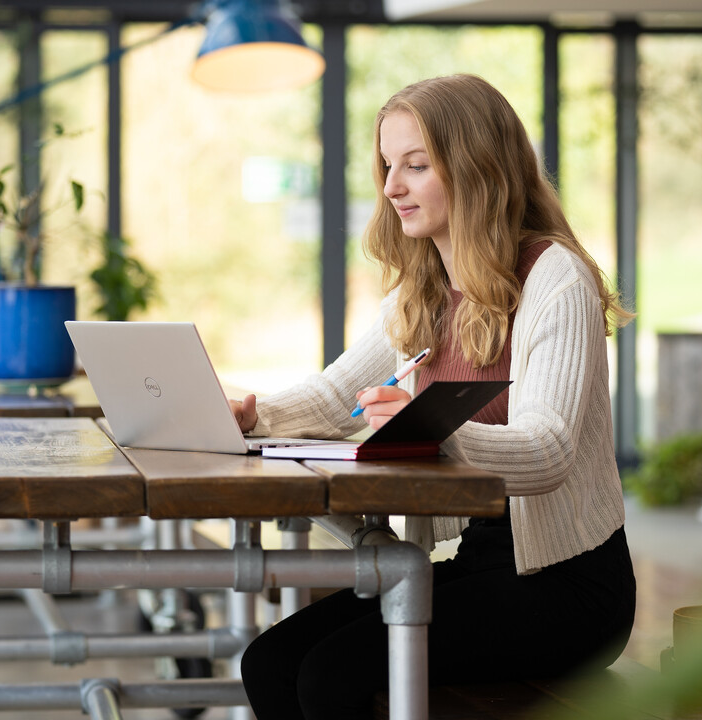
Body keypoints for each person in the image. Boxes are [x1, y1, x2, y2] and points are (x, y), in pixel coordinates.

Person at [230, 74, 636, 720]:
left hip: (572, 584)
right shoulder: (423, 289)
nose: (391, 188)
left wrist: (434, 429)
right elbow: (340, 395)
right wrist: (257, 415)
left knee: (330, 678)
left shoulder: (555, 277)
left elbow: (550, 448)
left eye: (415, 166)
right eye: (389, 167)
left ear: (477, 170)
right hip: (480, 563)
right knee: (270, 664)